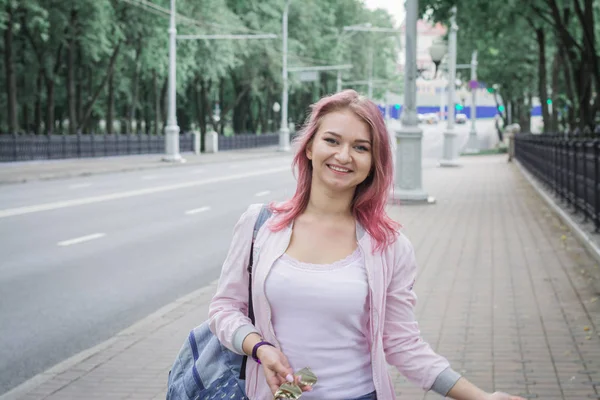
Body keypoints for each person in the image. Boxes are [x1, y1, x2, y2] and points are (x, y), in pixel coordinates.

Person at [209, 90, 525, 400]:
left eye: (360, 147)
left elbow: (403, 344)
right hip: (276, 396)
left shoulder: (389, 246)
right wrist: (259, 347)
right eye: (332, 141)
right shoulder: (260, 224)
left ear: (374, 161)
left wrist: (480, 397)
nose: (343, 156)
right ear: (309, 148)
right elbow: (225, 308)